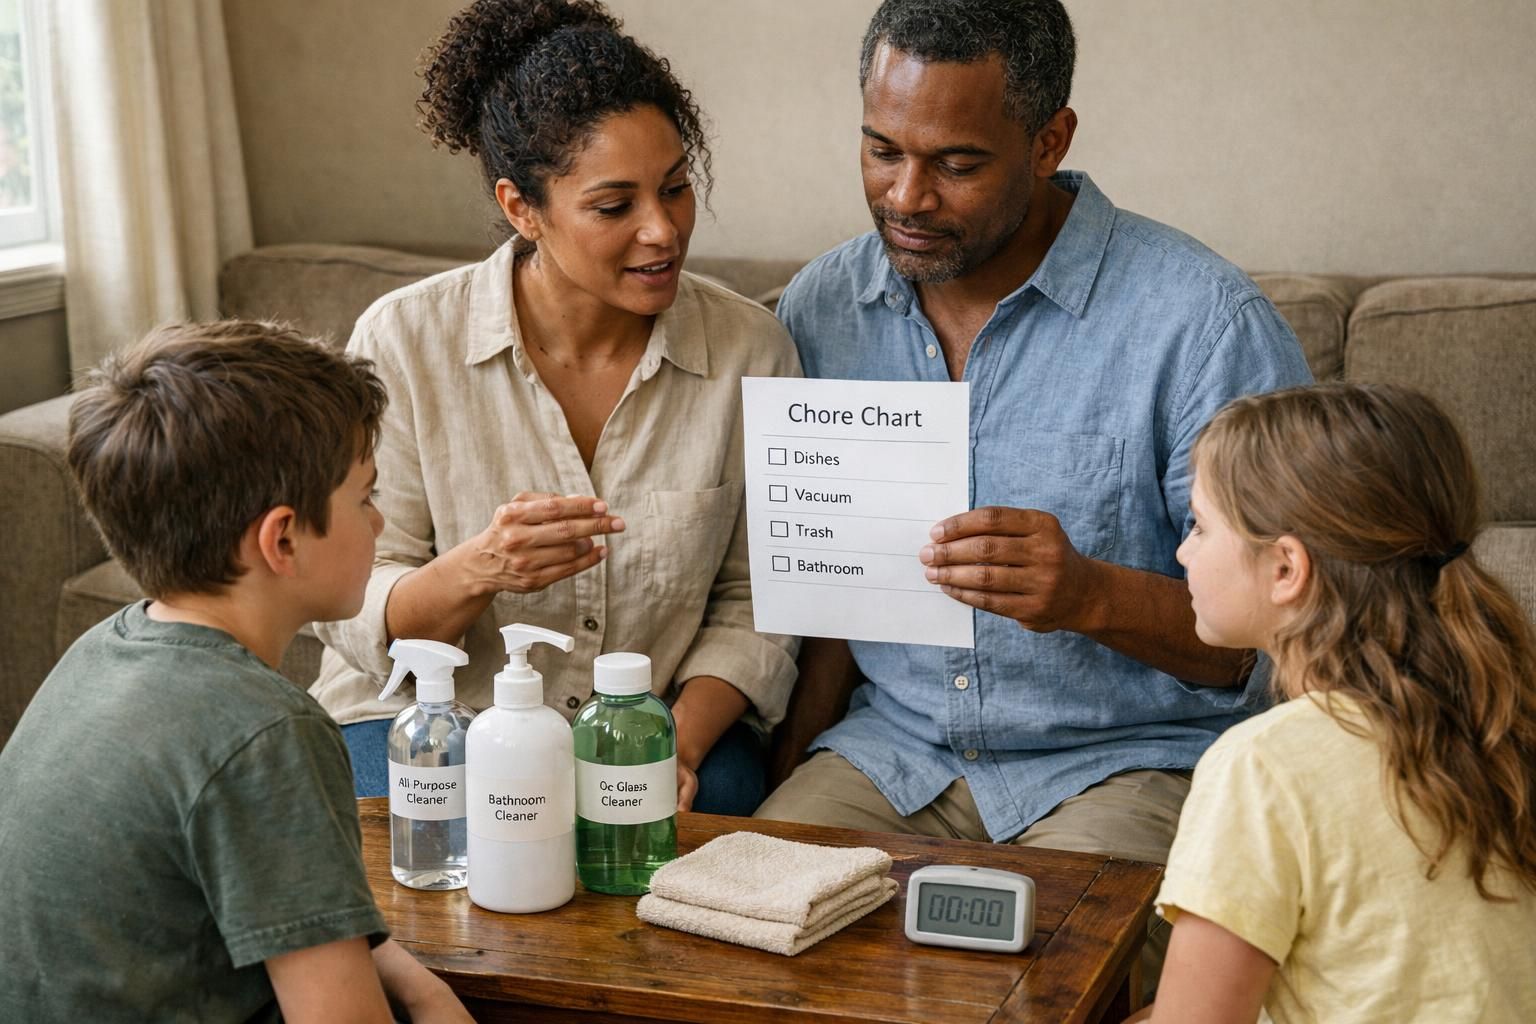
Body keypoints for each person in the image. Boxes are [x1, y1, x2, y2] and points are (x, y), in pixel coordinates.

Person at [755, 0, 1312, 987]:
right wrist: (784, 774)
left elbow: (1293, 633)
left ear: (1050, 140)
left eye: (957, 164)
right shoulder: (819, 310)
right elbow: (831, 599)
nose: (907, 196)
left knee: (1030, 984)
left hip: (1129, 762)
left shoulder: (1201, 325)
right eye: (881, 150)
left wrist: (1091, 596)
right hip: (893, 754)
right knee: (735, 949)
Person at [313, 0, 799, 814]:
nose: (663, 231)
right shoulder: (401, 342)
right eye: (614, 207)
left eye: (676, 188)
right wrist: (481, 568)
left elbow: (759, 600)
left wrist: (667, 746)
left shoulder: (753, 352)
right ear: (521, 209)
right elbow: (351, 589)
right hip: (423, 720)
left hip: (660, 729)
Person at [0, 322, 471, 1022]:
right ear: (282, 538)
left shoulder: (105, 648)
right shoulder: (269, 732)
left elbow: (299, 906)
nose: (376, 525)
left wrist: (424, 987)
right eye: (364, 498)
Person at [1135, 383, 1536, 1023]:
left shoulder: (1263, 768)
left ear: (1286, 568)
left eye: (1201, 526)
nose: (1184, 551)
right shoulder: (1503, 714)